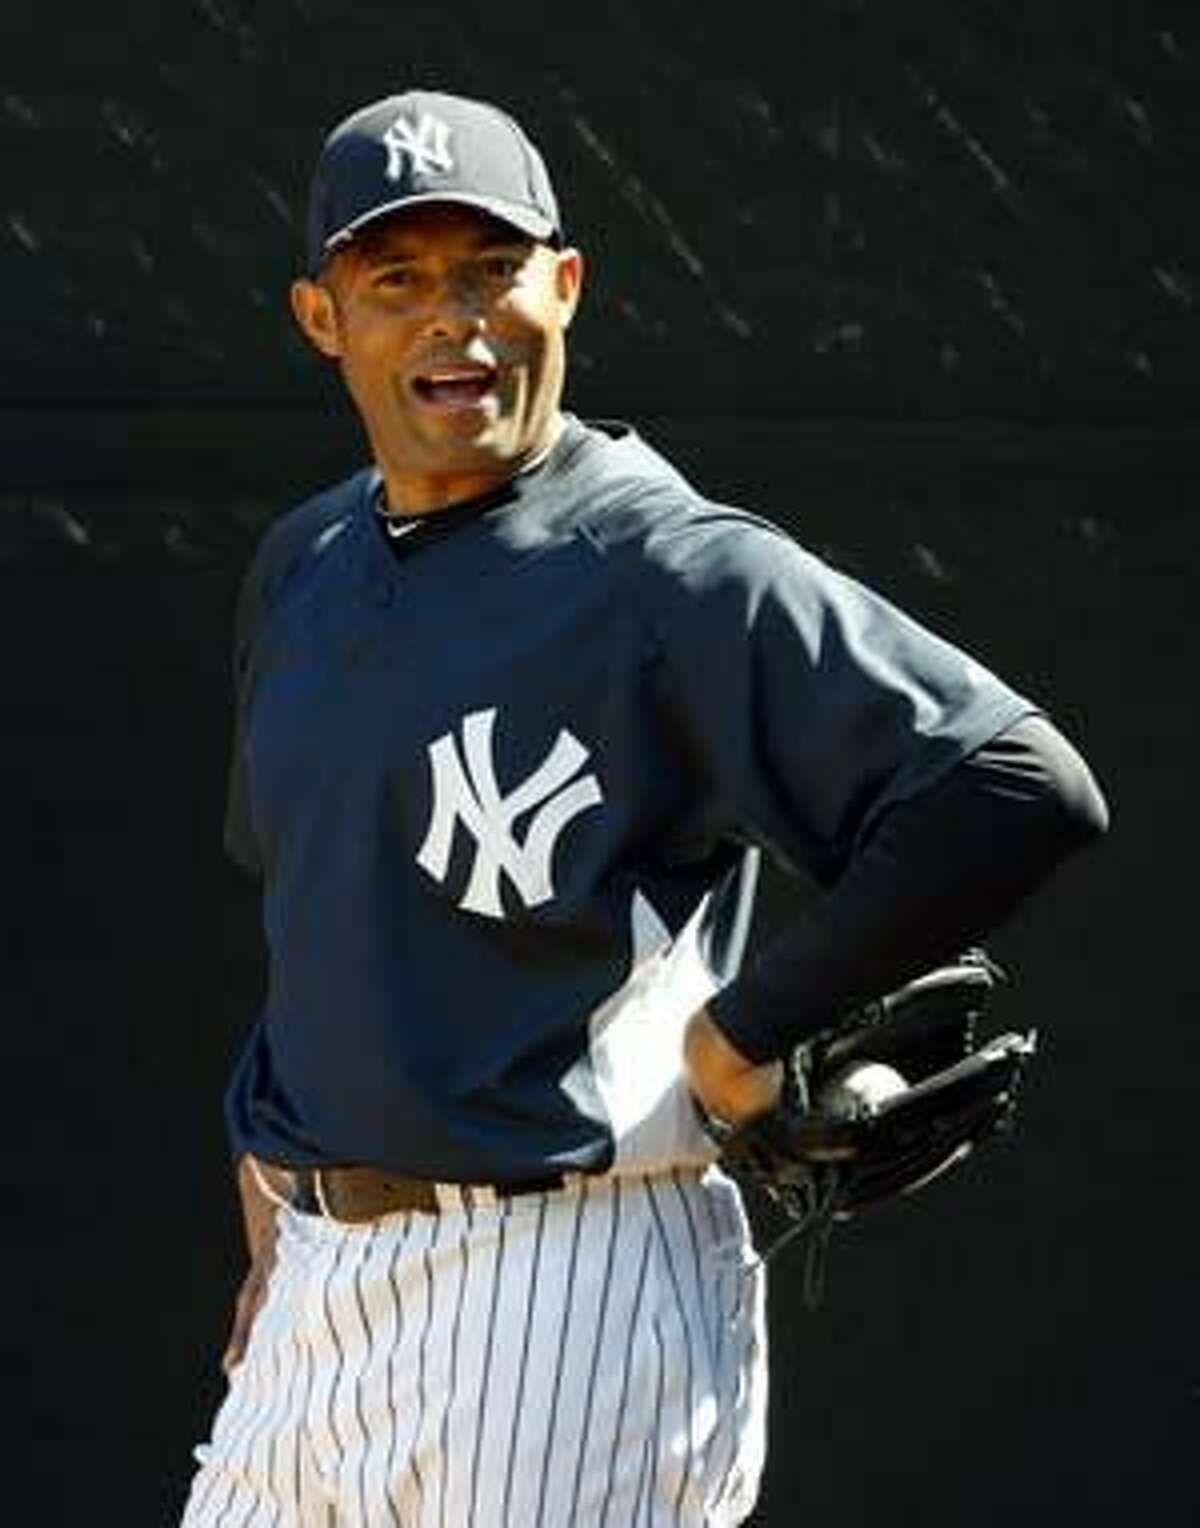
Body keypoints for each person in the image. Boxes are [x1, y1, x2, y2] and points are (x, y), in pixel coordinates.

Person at [180, 88, 1108, 1527]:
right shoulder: (303, 565)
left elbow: (1013, 783)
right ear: (322, 317)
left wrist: (740, 1035)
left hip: (571, 1287)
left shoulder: (664, 571)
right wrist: (273, 1227)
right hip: (318, 1295)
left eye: (492, 270)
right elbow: (316, 918)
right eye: (400, 280)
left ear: (566, 283)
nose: (455, 320)